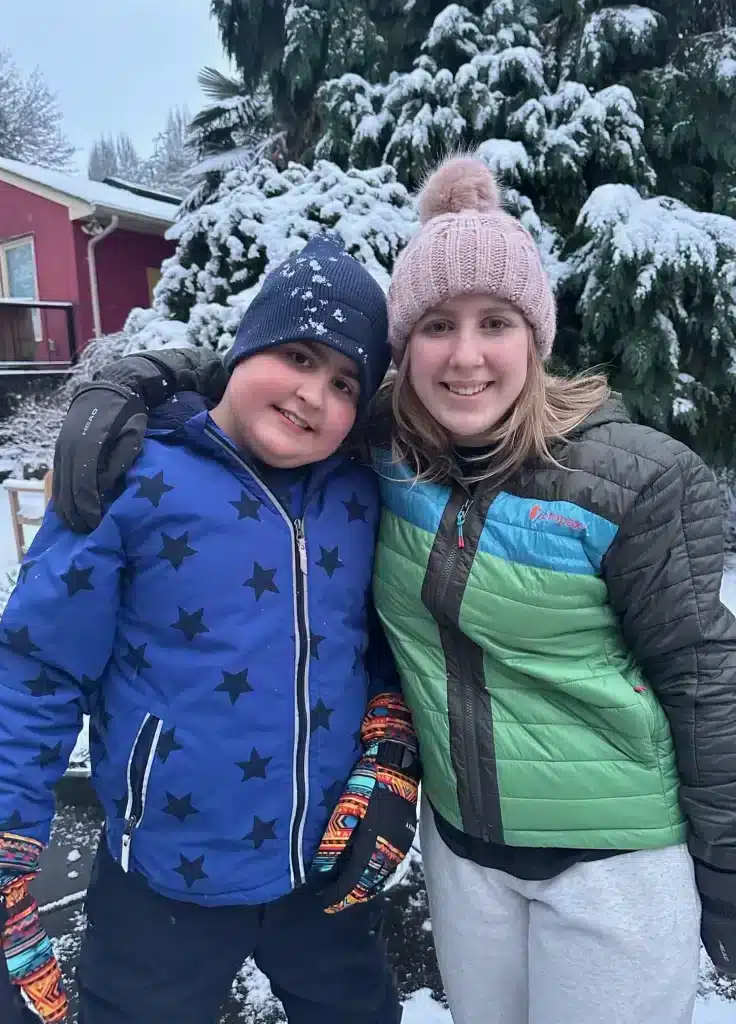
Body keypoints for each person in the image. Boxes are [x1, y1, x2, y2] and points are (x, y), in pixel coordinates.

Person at [51, 158, 736, 1024]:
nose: (466, 356)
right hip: (467, 856)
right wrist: (132, 382)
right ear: (404, 348)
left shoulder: (633, 477)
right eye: (437, 325)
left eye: (496, 323)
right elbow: (274, 372)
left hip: (613, 864)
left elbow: (704, 676)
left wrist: (727, 862)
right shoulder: (380, 441)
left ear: (536, 337)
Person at [0, 234, 420, 1024]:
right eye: (297, 355)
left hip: (325, 871)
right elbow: (40, 672)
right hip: (164, 881)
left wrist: (390, 750)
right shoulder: (130, 475)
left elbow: (386, 645)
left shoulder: (360, 493)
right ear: (244, 348)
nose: (314, 394)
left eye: (345, 381)